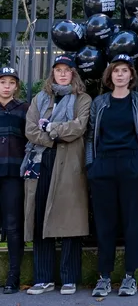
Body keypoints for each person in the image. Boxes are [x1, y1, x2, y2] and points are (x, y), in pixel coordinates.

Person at [85, 54, 138, 297]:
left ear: (132, 75)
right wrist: (91, 166)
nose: (121, 75)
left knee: (132, 222)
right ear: (110, 75)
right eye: (116, 70)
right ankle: (104, 276)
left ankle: (129, 276)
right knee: (105, 224)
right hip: (103, 165)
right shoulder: (100, 102)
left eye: (125, 70)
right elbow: (91, 135)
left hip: (132, 164)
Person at [23, 55, 92, 296]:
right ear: (52, 73)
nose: (62, 74)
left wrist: (50, 127)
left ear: (74, 73)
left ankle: (69, 278)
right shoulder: (40, 98)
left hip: (69, 165)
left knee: (70, 220)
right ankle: (43, 278)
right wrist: (53, 137)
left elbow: (78, 127)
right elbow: (30, 129)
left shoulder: (83, 99)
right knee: (40, 217)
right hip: (41, 162)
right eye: (58, 70)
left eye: (67, 70)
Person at [0, 66, 27, 294]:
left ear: (16, 86)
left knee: (12, 225)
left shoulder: (24, 109)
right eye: (2, 82)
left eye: (11, 83)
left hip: (13, 174)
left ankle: (13, 277)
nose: (6, 86)